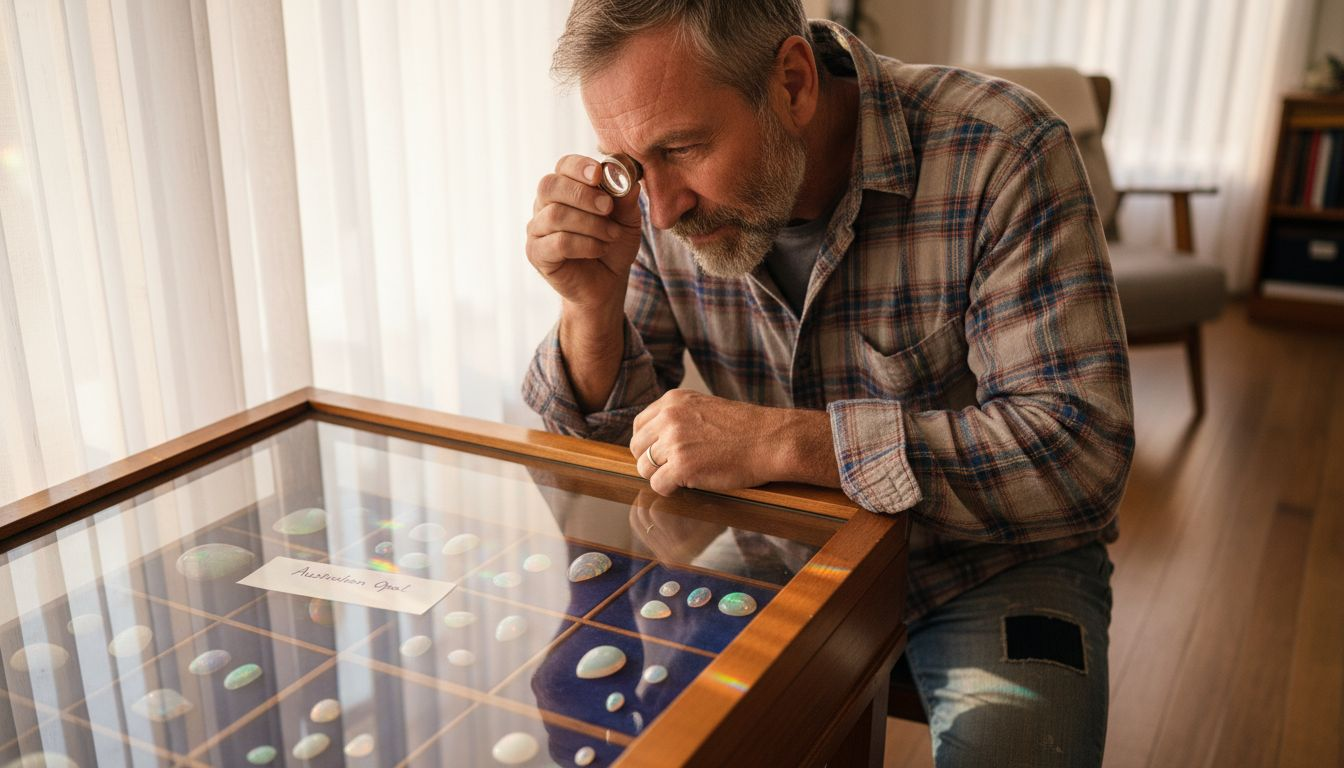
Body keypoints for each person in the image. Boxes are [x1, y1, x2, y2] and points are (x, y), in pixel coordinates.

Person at [522, 1, 1133, 765]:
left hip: (993, 563)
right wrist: (590, 309)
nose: (662, 207)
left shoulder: (1003, 150)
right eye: (631, 164)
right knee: (604, 732)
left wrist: (786, 441)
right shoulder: (662, 202)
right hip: (784, 552)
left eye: (683, 146)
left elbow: (1081, 455)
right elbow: (608, 474)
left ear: (793, 82)